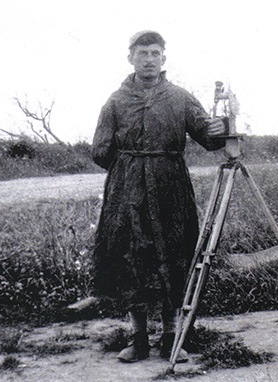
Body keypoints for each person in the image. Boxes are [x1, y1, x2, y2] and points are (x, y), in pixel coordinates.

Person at [91, 30, 226, 363]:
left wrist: (218, 129)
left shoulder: (180, 97)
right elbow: (100, 150)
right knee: (129, 259)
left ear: (164, 58)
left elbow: (207, 138)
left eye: (154, 53)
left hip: (171, 188)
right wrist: (130, 169)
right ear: (130, 58)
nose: (148, 59)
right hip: (127, 192)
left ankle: (170, 338)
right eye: (142, 53)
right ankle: (138, 340)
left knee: (173, 254)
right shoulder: (115, 101)